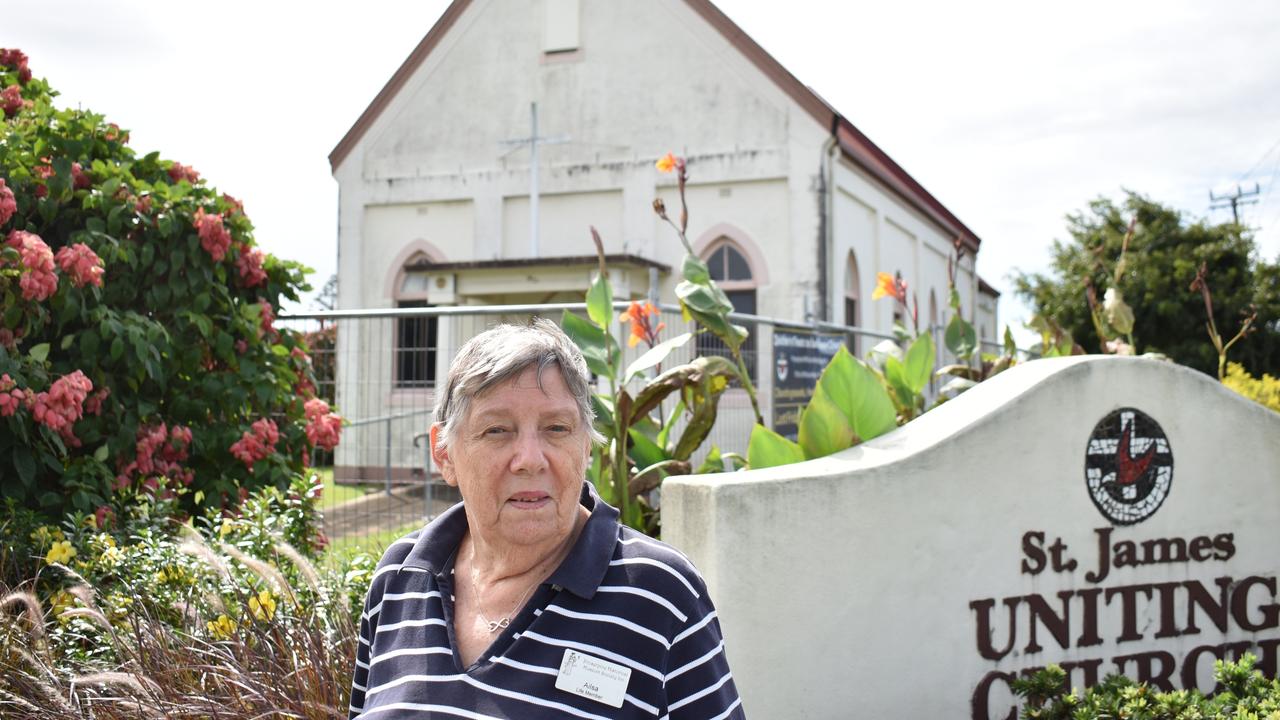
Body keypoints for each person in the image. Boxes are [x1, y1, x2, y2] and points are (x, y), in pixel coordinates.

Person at [349, 319, 744, 719]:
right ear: (445, 454)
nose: (530, 460)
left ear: (586, 446)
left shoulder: (661, 594)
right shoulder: (399, 577)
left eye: (556, 428)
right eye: (497, 430)